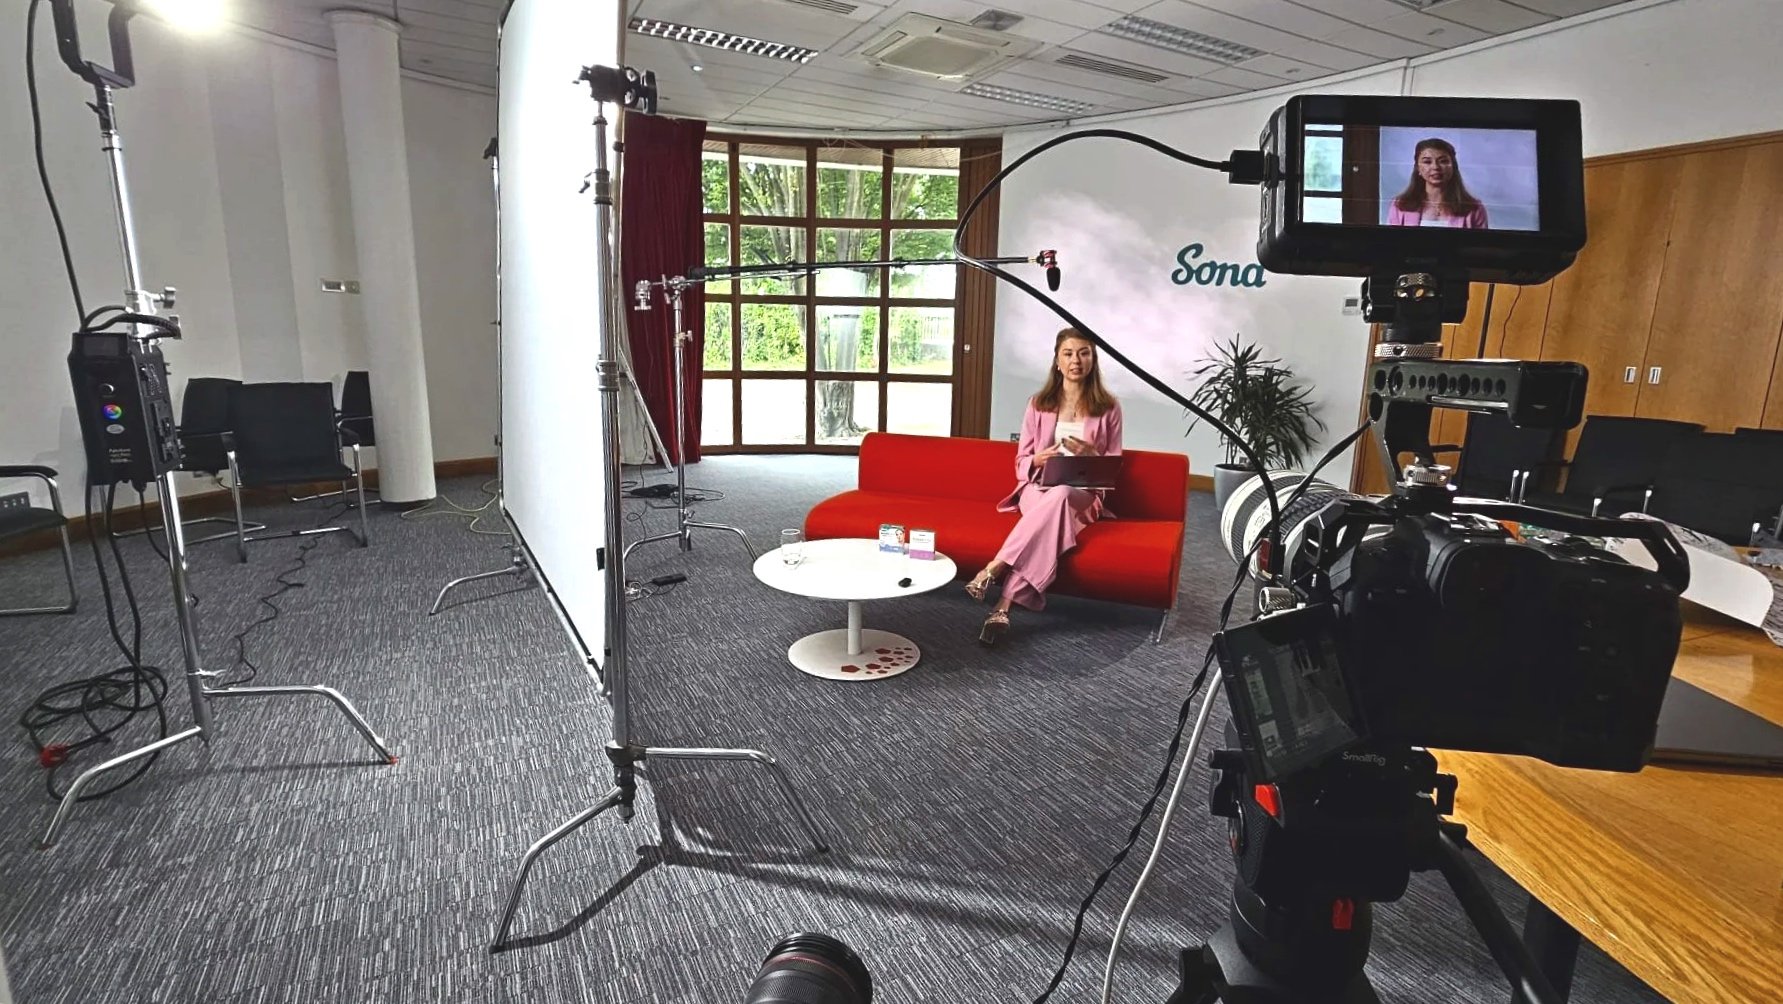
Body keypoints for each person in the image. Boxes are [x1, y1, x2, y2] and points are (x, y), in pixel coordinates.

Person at [965, 328, 1123, 645]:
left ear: (1093, 359)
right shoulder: (1038, 404)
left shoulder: (1109, 407)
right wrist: (1037, 460)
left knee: (1063, 494)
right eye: (1068, 353)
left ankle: (994, 567)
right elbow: (1020, 459)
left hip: (1081, 494)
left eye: (1084, 353)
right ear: (1057, 361)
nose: (1076, 360)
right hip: (1037, 489)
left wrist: (1091, 454)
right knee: (1049, 513)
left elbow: (1112, 467)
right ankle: (1002, 607)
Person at [1385, 138, 1489, 229]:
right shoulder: (1399, 205)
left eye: (1443, 161)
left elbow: (1480, 248)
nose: (1435, 167)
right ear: (1418, 169)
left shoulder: (1474, 208)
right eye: (1427, 162)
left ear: (1453, 167)